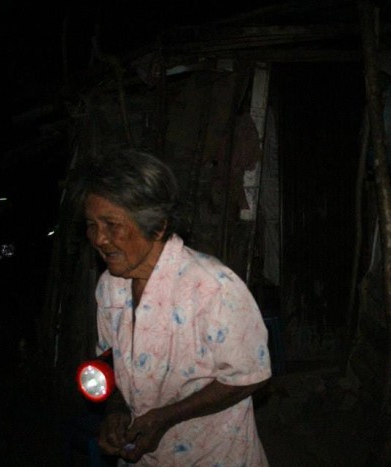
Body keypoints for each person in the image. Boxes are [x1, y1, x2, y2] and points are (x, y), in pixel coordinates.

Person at [69, 149, 272, 466]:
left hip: (211, 455)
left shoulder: (213, 287)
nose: (99, 238)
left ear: (158, 226)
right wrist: (117, 409)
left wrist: (166, 417)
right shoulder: (110, 286)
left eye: (111, 224)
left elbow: (250, 375)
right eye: (91, 224)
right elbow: (113, 362)